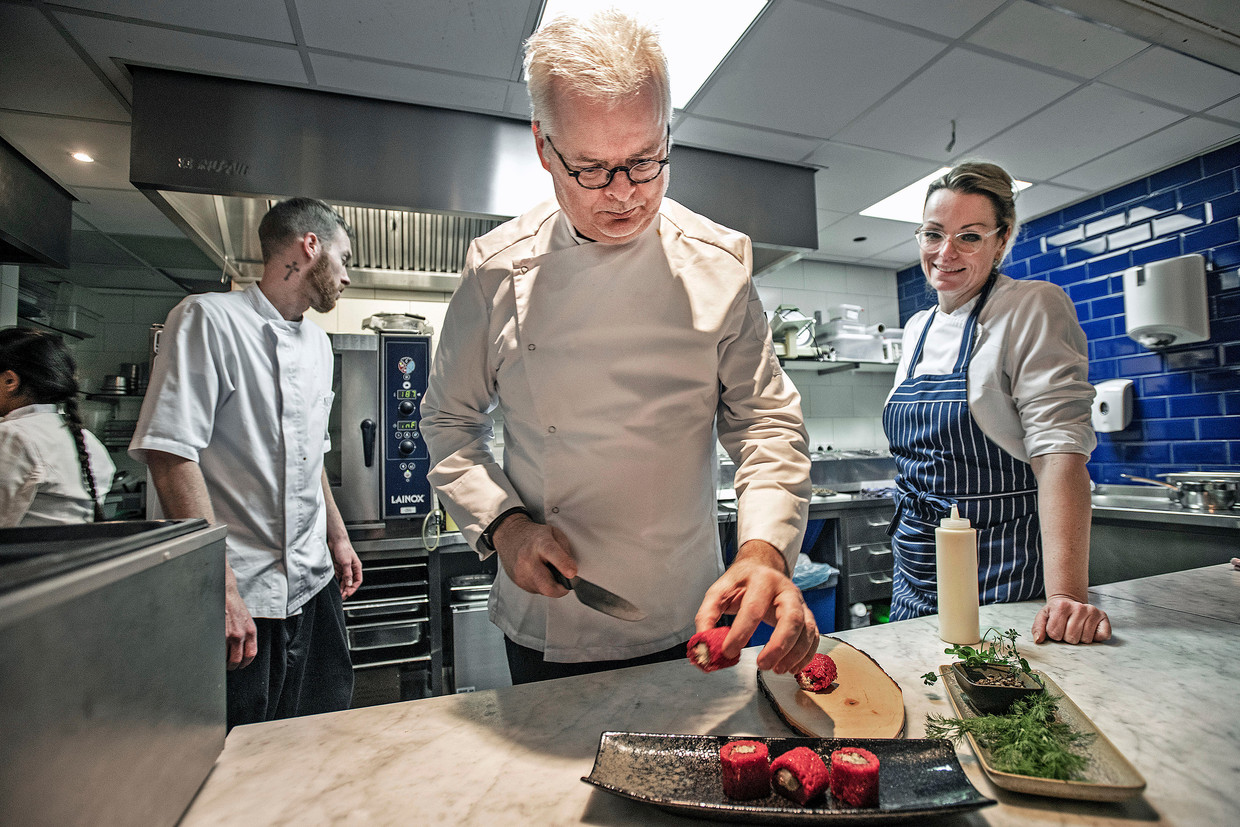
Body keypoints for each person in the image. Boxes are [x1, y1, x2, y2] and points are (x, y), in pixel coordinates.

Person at [421, 10, 816, 685]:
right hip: (549, 619)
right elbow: (448, 423)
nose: (626, 194)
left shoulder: (720, 264)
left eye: (644, 160)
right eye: (594, 169)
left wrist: (764, 551)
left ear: (666, 133)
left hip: (687, 607)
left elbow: (765, 421)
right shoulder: (494, 270)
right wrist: (506, 528)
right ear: (545, 149)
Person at [129, 197, 363, 730]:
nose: (346, 276)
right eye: (344, 258)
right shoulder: (207, 319)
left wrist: (339, 536)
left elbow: (311, 456)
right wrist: (221, 588)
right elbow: (170, 452)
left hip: (313, 583)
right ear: (311, 247)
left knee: (320, 733)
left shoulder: (319, 345)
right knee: (238, 752)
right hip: (243, 591)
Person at [883, 161, 1111, 645]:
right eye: (933, 234)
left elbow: (1059, 452)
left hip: (999, 571)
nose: (945, 252)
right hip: (915, 572)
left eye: (969, 236)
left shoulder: (1032, 306)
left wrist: (1066, 595)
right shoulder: (915, 329)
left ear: (1001, 240)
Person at [0, 328, 114, 527]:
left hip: (28, 557)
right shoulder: (88, 440)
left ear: (10, 380)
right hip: (75, 555)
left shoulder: (13, 435)